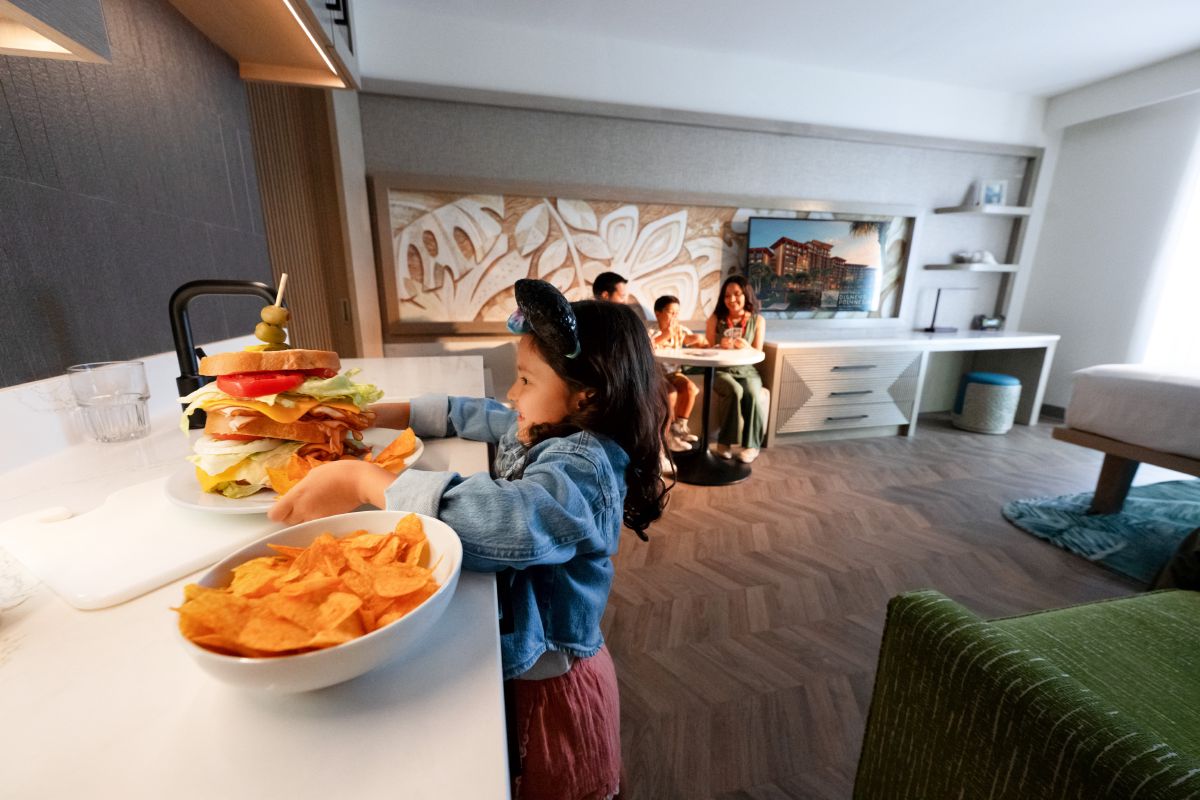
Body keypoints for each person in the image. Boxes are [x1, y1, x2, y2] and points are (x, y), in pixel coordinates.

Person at [269, 279, 670, 800]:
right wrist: (381, 414)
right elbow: (481, 414)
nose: (512, 394)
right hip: (527, 667)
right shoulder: (550, 424)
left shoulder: (583, 465)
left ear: (585, 395)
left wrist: (361, 481)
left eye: (525, 380)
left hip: (552, 680)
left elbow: (512, 521)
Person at [705, 274, 766, 463]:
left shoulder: (758, 320)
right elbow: (705, 350)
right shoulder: (716, 319)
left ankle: (752, 445)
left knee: (753, 394)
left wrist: (747, 347)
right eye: (727, 295)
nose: (732, 299)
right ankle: (725, 443)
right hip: (722, 371)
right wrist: (717, 344)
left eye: (737, 294)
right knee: (734, 390)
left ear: (746, 295)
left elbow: (758, 352)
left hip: (747, 370)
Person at [651, 294, 708, 447]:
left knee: (690, 388)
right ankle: (666, 436)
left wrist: (699, 340)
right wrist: (664, 335)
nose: (674, 317)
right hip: (655, 374)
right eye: (671, 312)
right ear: (658, 313)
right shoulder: (651, 330)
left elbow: (702, 343)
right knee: (671, 393)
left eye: (677, 313)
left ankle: (679, 428)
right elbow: (645, 349)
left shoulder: (680, 330)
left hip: (674, 373)